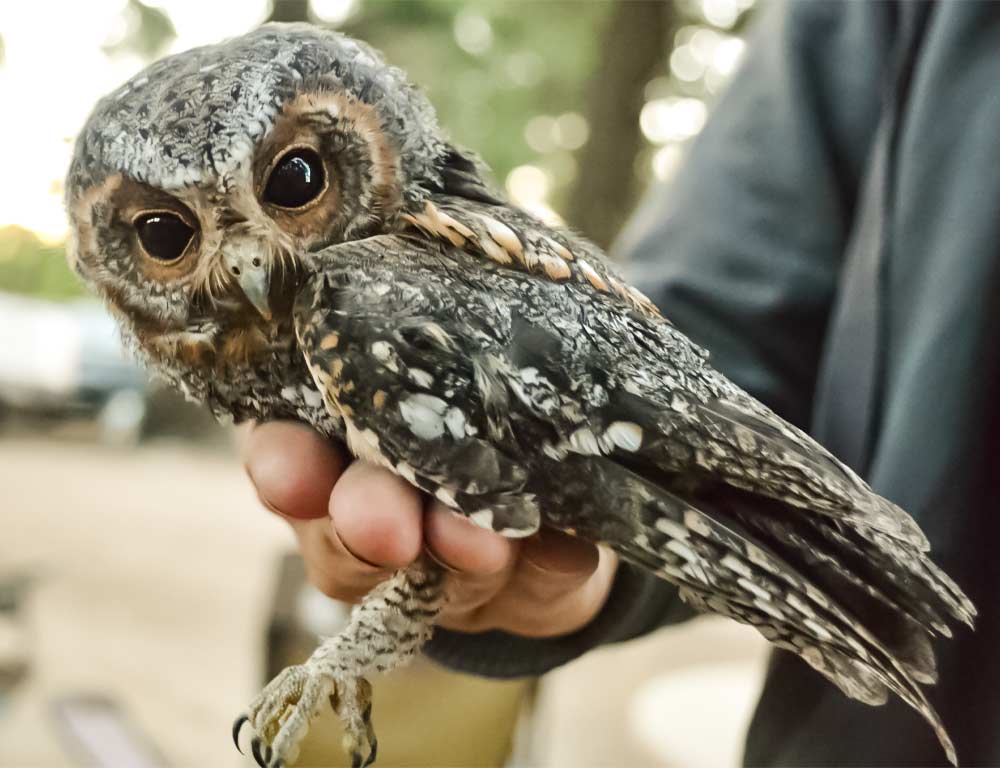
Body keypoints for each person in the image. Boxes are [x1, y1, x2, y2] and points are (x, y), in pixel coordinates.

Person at [243, 1, 1000, 764]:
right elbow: (730, 326)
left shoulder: (366, 290)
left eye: (293, 181)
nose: (243, 260)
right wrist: (587, 571)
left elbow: (650, 402)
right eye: (169, 232)